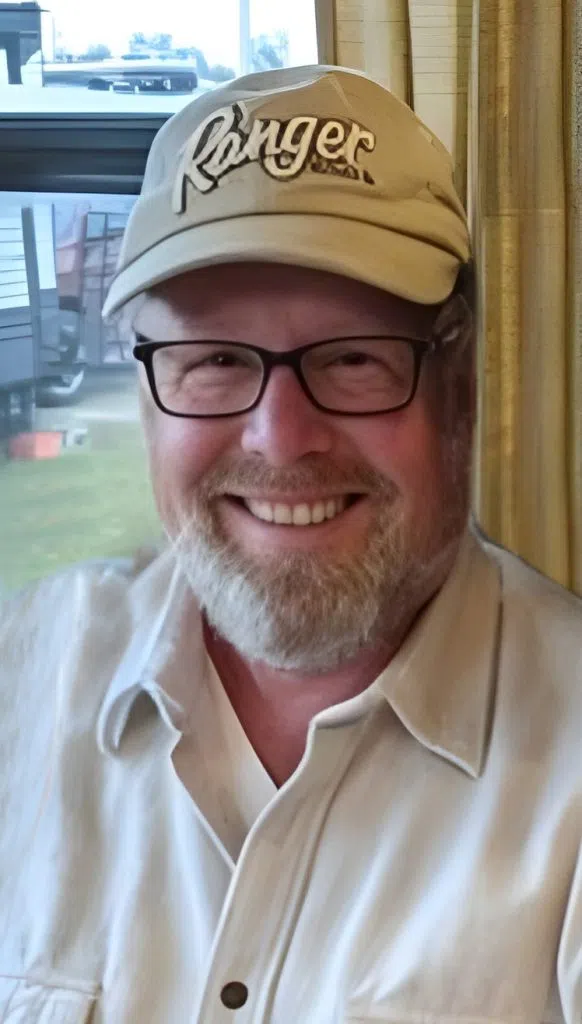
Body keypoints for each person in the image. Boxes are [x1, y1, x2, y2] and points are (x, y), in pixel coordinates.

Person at [0, 64, 581, 1024]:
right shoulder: (22, 677)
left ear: (460, 390)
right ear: (148, 399)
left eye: (353, 358)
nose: (281, 439)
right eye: (215, 359)